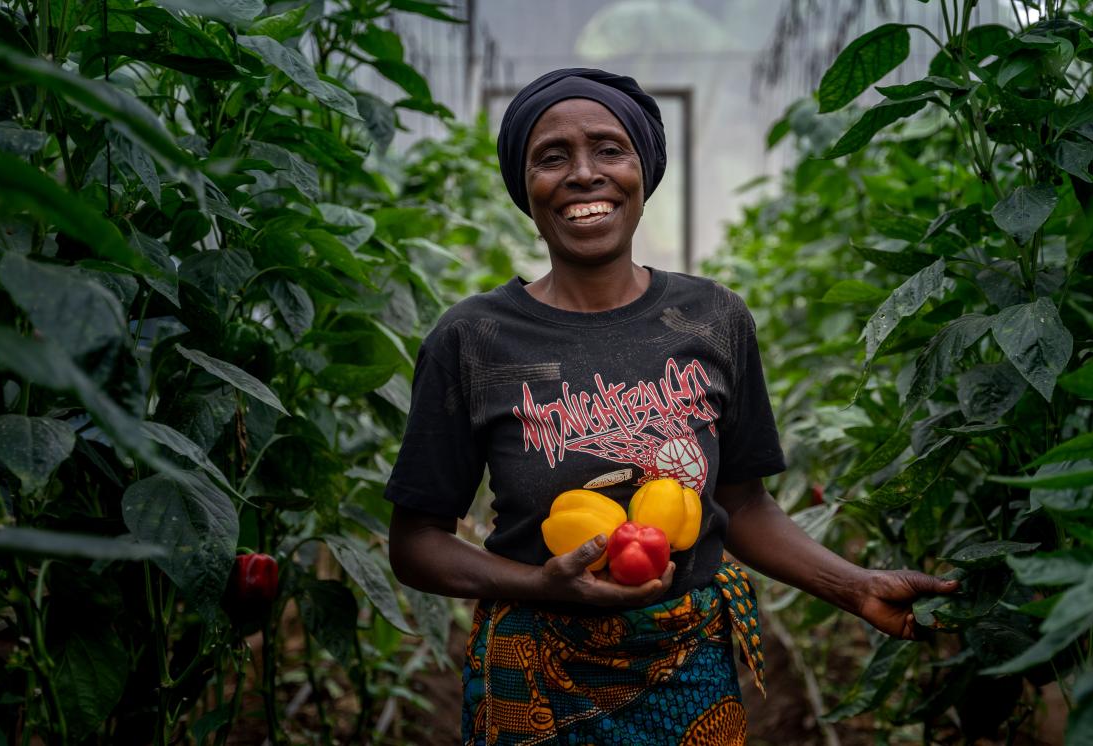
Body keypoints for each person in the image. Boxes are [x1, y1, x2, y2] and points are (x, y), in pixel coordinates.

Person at [385, 68, 958, 745]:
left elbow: (742, 505)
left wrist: (854, 587)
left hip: (688, 668)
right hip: (533, 670)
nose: (583, 174)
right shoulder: (473, 338)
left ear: (642, 171)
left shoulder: (712, 320)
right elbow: (417, 543)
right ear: (525, 186)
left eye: (609, 149)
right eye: (551, 156)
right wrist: (544, 584)